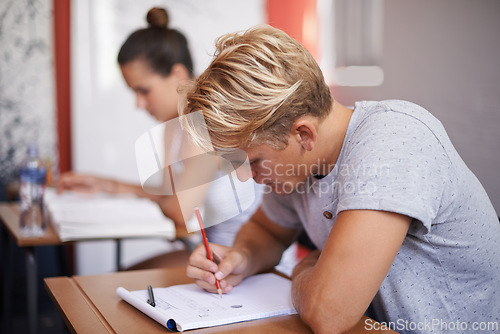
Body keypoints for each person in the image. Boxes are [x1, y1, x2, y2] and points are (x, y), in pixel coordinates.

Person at [181, 25, 500, 334]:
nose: (245, 177)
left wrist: (304, 269)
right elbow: (268, 230)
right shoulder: (297, 167)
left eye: (254, 161)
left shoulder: (394, 141)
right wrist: (241, 257)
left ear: (303, 134)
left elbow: (328, 313)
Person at [57, 8, 262, 267]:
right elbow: (169, 195)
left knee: (122, 280)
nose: (139, 104)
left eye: (144, 91)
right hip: (210, 252)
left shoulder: (207, 124)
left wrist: (147, 195)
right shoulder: (172, 127)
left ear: (177, 75)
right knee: (122, 278)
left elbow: (179, 211)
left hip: (246, 260)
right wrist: (106, 185)